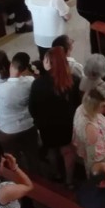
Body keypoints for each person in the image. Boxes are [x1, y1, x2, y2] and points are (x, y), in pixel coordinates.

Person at [28, 46, 81, 186]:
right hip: (67, 124)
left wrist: (38, 121)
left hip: (46, 125)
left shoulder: (38, 83)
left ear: (48, 63)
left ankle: (56, 173)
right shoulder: (73, 80)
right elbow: (77, 104)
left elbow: (32, 107)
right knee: (68, 152)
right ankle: (69, 181)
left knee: (51, 150)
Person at [0, 52, 38, 171]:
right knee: (33, 154)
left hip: (8, 130)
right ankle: (37, 176)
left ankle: (20, 176)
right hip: (29, 125)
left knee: (13, 158)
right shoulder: (30, 81)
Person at [74, 87, 105, 173]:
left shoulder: (83, 108)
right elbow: (97, 156)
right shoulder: (90, 128)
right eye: (103, 106)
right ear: (92, 106)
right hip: (104, 164)